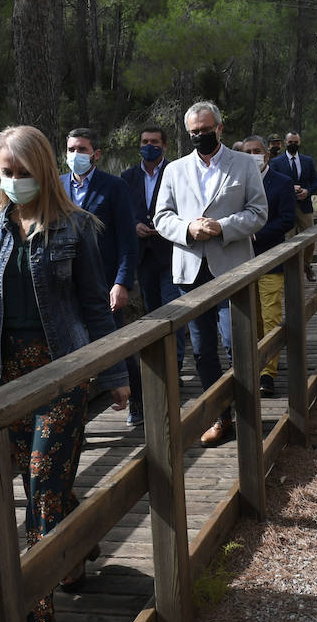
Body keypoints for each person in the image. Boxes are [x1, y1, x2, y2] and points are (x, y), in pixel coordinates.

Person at [0, 125, 130, 622]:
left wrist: (114, 374)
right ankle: (77, 546)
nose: (15, 182)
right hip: (7, 375)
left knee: (40, 490)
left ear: (45, 170)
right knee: (37, 482)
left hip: (61, 372)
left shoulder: (78, 228)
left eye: (23, 172)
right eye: (6, 174)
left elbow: (95, 307)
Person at [153, 101, 267, 447]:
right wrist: (188, 228)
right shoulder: (174, 169)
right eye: (194, 132)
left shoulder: (245, 164)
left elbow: (259, 212)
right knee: (202, 350)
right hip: (191, 271)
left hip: (232, 267)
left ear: (219, 128)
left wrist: (223, 227)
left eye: (206, 130)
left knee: (237, 344)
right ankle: (222, 417)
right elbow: (162, 217)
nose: (200, 136)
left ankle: (249, 414)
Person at [62, 128, 141, 425]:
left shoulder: (114, 187)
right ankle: (75, 416)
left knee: (115, 343)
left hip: (105, 282)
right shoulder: (57, 186)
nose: (75, 155)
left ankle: (137, 399)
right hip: (68, 284)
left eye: (81, 149)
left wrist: (122, 282)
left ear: (96, 154)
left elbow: (127, 240)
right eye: (70, 149)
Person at [120, 125, 188, 409]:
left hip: (171, 252)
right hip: (143, 256)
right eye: (145, 141)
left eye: (155, 142)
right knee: (153, 311)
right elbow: (123, 212)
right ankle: (160, 365)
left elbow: (185, 207)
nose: (150, 146)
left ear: (165, 146)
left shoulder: (177, 172)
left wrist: (167, 226)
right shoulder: (127, 177)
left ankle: (174, 368)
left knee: (174, 310)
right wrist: (134, 225)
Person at [241, 135, 295, 396]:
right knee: (251, 318)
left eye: (257, 151)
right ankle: (254, 362)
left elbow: (286, 219)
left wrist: (256, 234)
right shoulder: (236, 182)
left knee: (270, 315)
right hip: (241, 262)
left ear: (267, 155)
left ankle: (268, 373)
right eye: (248, 151)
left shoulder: (282, 183)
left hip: (271, 258)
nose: (252, 154)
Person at [270, 130, 317, 282]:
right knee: (288, 239)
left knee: (311, 239)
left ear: (300, 143)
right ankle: (289, 271)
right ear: (286, 143)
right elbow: (273, 183)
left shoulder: (307, 160)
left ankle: (306, 266)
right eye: (290, 142)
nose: (293, 144)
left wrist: (308, 191)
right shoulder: (276, 162)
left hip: (304, 205)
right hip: (286, 206)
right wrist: (289, 189)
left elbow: (316, 182)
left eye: (296, 142)